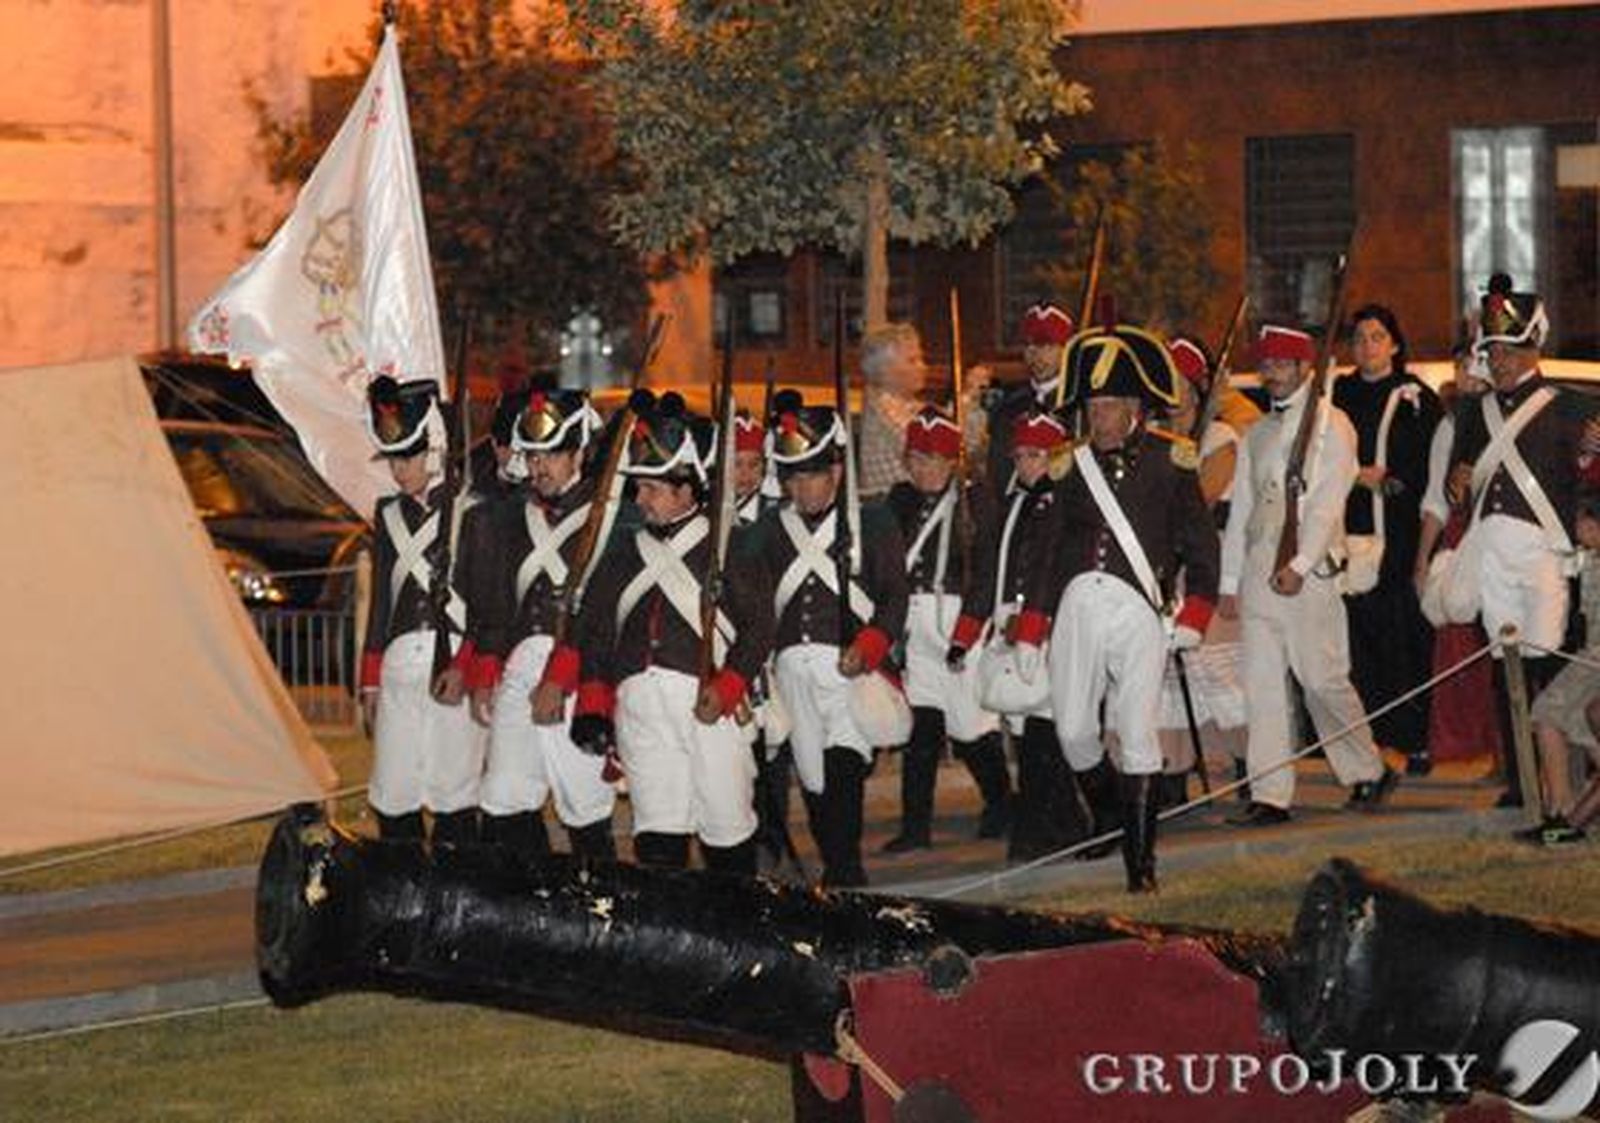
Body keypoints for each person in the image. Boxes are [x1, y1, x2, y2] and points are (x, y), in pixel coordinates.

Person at [1012, 322, 1219, 892]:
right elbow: (1046, 552)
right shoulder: (1066, 464)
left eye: (1107, 405)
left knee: (1136, 733)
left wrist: (1196, 613)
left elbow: (1202, 544)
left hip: (1139, 612)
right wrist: (1032, 628)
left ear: (1133, 406)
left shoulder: (1172, 461)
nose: (1097, 417)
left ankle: (1141, 867)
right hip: (1078, 605)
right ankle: (1109, 813)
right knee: (1075, 731)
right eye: (1092, 406)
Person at [569, 394, 774, 874]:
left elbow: (759, 627)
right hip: (641, 710)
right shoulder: (623, 553)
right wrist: (596, 702)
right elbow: (594, 630)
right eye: (639, 488)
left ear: (687, 489)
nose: (639, 499)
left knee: (726, 830)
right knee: (657, 836)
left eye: (652, 489)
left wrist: (727, 687)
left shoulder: (731, 546)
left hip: (708, 705)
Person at [1218, 324, 1397, 826]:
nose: (1271, 373)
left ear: (1305, 368)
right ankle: (1270, 793)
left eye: (1281, 364)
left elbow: (1324, 506)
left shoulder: (1331, 426)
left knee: (1322, 680)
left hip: (1308, 572)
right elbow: (1242, 513)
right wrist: (1230, 582)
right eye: (1266, 364)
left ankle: (1368, 768)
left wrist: (1298, 565)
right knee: (1262, 686)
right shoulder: (1257, 432)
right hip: (1258, 571)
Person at [1444, 273, 1600, 808]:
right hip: (1492, 557)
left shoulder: (1574, 407)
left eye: (1511, 350)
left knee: (1550, 667)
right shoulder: (1473, 411)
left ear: (1535, 346)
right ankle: (1521, 779)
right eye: (1493, 351)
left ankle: (1566, 783)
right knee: (1502, 672)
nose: (1502, 361)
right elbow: (1457, 480)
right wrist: (1457, 484)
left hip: (1547, 560)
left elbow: (1591, 476)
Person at [753, 391, 911, 888]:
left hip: (850, 670)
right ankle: (840, 869)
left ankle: (847, 874)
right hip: (791, 674)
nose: (802, 487)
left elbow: (893, 598)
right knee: (816, 784)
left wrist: (869, 645)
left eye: (812, 475)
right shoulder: (768, 531)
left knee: (844, 769)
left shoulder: (874, 522)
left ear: (837, 472)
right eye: (794, 477)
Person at [469, 388, 619, 861]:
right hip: (519, 670)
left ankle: (598, 915)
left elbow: (603, 614)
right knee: (504, 796)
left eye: (552, 453)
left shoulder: (612, 517)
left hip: (578, 672)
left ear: (578, 453)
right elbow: (496, 605)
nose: (539, 466)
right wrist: (484, 671)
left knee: (584, 806)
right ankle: (539, 905)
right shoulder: (510, 517)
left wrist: (561, 677)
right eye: (533, 454)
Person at [358, 375, 486, 845]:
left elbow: (487, 605)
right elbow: (381, 607)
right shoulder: (387, 514)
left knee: (454, 793)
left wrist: (467, 665)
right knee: (394, 793)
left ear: (433, 450)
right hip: (398, 665)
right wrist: (370, 679)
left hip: (451, 660)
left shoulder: (472, 510)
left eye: (408, 456)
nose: (398, 469)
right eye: (393, 458)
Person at [960, 407, 1092, 862]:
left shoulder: (1067, 504)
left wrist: (1034, 628)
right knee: (1026, 734)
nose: (1026, 464)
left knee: (1044, 734)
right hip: (1011, 627)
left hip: (1051, 629)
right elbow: (990, 571)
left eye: (1035, 455)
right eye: (1020, 456)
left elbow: (1053, 571)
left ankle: (1041, 833)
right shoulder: (1013, 504)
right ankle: (1066, 827)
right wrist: (968, 630)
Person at [881, 407, 1010, 853]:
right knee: (923, 730)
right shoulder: (898, 501)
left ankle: (1001, 804)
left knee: (972, 729)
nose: (924, 468)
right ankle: (915, 828)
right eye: (916, 458)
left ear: (953, 461)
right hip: (917, 623)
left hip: (960, 620)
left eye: (934, 459)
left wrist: (968, 631)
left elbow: (988, 569)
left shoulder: (976, 500)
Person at [1332, 304, 1441, 776]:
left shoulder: (1418, 398)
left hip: (1399, 538)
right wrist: (1356, 477)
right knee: (1358, 643)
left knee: (1404, 639)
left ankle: (1413, 739)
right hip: (1347, 535)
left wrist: (1390, 480)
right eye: (1359, 337)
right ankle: (1367, 741)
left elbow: (1425, 467)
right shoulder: (1338, 394)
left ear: (1394, 343)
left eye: (1377, 336)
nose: (1368, 345)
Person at [1415, 342, 1502, 766]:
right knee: (1458, 650)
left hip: (1500, 541)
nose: (1467, 374)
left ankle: (1506, 756)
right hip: (1459, 539)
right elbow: (1435, 498)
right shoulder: (1450, 426)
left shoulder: (1506, 418)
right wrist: (1422, 560)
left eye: (1475, 365)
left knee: (1501, 654)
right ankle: (1464, 746)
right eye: (1461, 366)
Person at [1519, 492, 1600, 844]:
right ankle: (1565, 812)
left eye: (1580, 523)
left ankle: (1565, 813)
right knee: (1572, 722)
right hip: (1589, 656)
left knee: (1549, 714)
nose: (1575, 531)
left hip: (1595, 660)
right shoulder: (1590, 559)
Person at [982, 304, 1074, 490]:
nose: (1036, 355)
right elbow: (997, 473)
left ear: (1066, 349)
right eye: (1029, 345)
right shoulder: (1008, 409)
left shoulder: (1078, 407)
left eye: (1047, 346)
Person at [857, 322, 926, 499]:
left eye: (921, 359)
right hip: (891, 511)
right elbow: (929, 450)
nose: (923, 367)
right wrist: (966, 402)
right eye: (912, 361)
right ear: (884, 370)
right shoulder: (882, 408)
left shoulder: (911, 405)